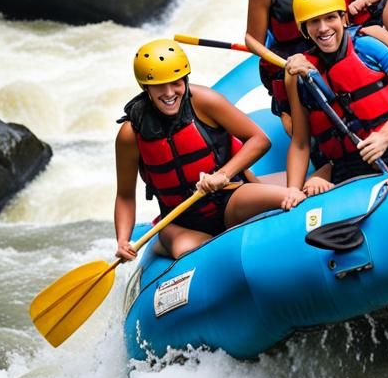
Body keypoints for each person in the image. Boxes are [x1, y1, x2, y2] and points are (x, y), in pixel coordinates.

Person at [114, 39, 292, 261]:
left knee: (286, 198)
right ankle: (162, 244)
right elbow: (124, 196)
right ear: (146, 87)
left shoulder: (205, 101)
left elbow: (259, 140)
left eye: (176, 82)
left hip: (229, 198)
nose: (169, 93)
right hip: (180, 222)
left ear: (185, 79)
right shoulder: (131, 133)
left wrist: (222, 175)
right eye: (159, 85)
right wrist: (123, 240)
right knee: (190, 254)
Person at [281, 0, 388, 207]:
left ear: (343, 18)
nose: (323, 28)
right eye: (314, 22)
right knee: (319, 196)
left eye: (330, 17)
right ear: (304, 29)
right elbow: (301, 143)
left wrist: (384, 137)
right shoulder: (298, 74)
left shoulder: (366, 47)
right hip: (347, 163)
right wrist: (292, 189)